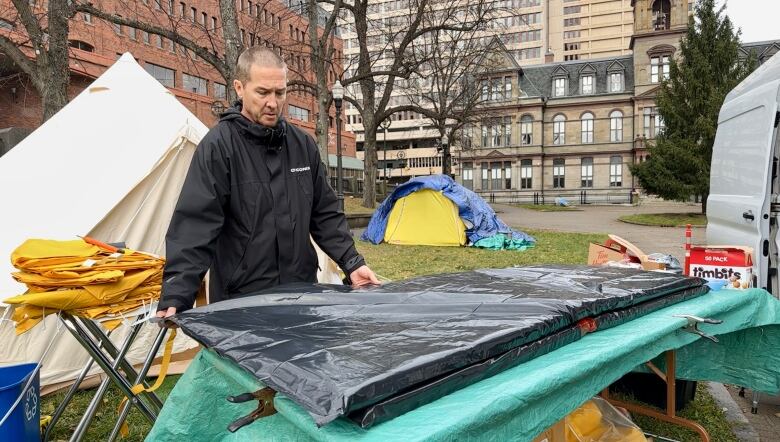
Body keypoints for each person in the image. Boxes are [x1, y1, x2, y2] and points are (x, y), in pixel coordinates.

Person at [156, 47, 378, 319]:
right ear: (240, 87)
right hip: (241, 303)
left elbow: (325, 214)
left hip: (301, 295)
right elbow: (195, 226)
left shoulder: (302, 145)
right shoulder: (218, 147)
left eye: (280, 92)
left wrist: (352, 263)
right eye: (263, 92)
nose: (273, 102)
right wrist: (177, 294)